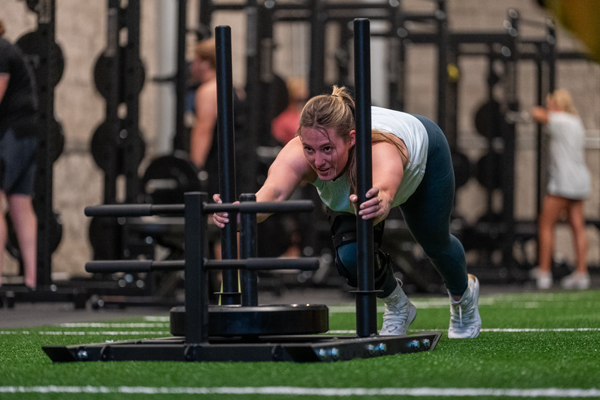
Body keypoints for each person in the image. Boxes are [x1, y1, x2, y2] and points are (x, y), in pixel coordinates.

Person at [213, 86, 481, 338]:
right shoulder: (298, 153)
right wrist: (241, 214)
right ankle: (398, 305)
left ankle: (463, 296)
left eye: (327, 149)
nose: (318, 161)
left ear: (351, 139)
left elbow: (385, 189)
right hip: (354, 188)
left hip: (423, 158)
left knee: (434, 242)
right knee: (351, 257)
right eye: (310, 149)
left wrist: (380, 201)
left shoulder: (380, 149)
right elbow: (271, 195)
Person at [531, 89, 591, 290]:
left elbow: (536, 113)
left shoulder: (560, 119)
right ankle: (582, 273)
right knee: (577, 226)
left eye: (551, 104)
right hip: (580, 180)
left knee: (546, 224)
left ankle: (544, 272)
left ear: (557, 105)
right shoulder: (576, 122)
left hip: (563, 182)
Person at [0, 20, 39, 290]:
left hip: (14, 135)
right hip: (28, 134)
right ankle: (33, 279)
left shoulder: (0, 49)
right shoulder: (8, 49)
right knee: (20, 204)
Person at [271, 77, 309, 146]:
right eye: (298, 100)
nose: (301, 104)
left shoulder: (311, 117)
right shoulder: (282, 120)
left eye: (305, 100)